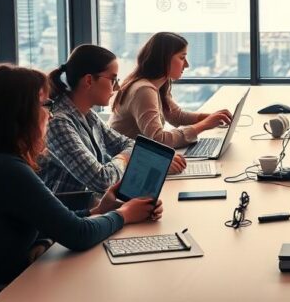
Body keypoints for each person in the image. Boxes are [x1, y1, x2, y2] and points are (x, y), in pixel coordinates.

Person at [0, 64, 162, 296]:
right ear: (20, 114)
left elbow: (51, 221)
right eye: (45, 105)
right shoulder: (4, 169)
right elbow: (79, 235)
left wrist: (100, 210)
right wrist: (124, 214)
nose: (50, 114)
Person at [40, 45, 187, 195]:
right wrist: (126, 158)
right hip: (71, 208)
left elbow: (128, 143)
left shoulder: (89, 115)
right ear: (89, 80)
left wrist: (155, 160)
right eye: (113, 79)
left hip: (95, 203)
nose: (117, 88)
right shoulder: (58, 122)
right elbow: (102, 180)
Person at [110, 32, 232, 147]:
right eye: (182, 58)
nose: (187, 65)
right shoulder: (143, 90)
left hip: (135, 154)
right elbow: (158, 139)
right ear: (165, 59)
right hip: (125, 158)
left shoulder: (159, 84)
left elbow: (176, 116)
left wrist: (213, 118)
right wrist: (204, 125)